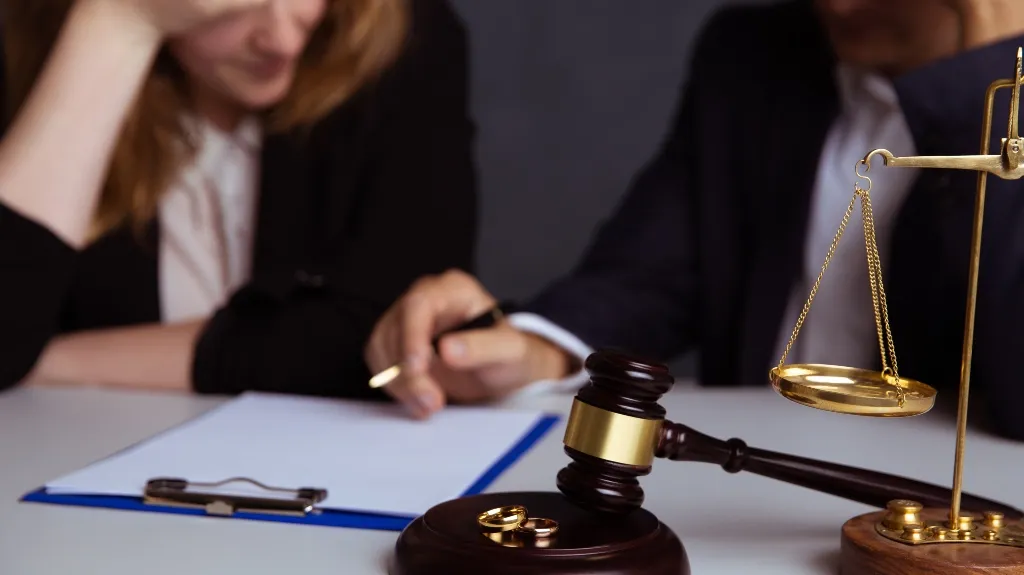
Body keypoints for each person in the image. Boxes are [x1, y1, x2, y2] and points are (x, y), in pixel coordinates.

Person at [366, 0, 1024, 438]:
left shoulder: (999, 95)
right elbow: (651, 277)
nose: (837, 3)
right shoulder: (755, 52)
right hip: (748, 485)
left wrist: (989, 75)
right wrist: (534, 348)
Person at [0, 0, 477, 399]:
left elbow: (392, 330)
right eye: (228, 5)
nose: (282, 40)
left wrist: (51, 360)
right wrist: (116, 23)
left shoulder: (396, 35)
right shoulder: (37, 51)